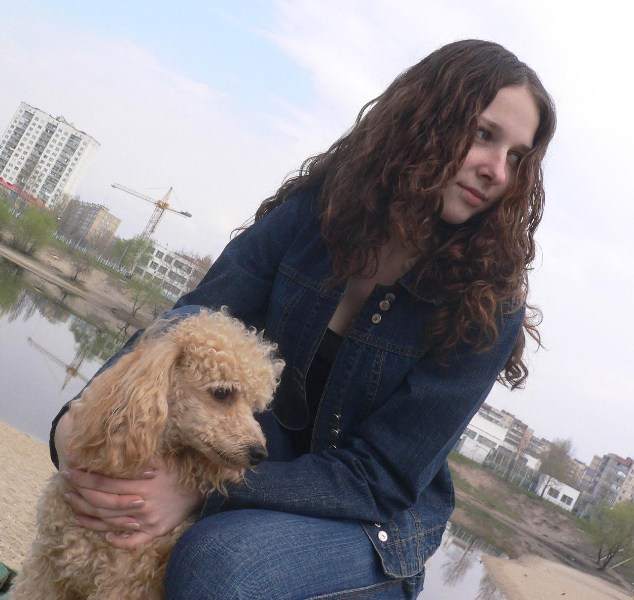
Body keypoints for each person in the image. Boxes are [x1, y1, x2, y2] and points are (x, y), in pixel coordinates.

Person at [51, 39, 556, 599]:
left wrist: (200, 490)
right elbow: (194, 319)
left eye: (517, 157)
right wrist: (81, 417)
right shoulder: (319, 212)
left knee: (218, 564)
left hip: (370, 529)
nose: (497, 171)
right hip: (254, 468)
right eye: (484, 134)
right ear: (425, 120)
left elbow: (378, 478)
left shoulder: (489, 308)